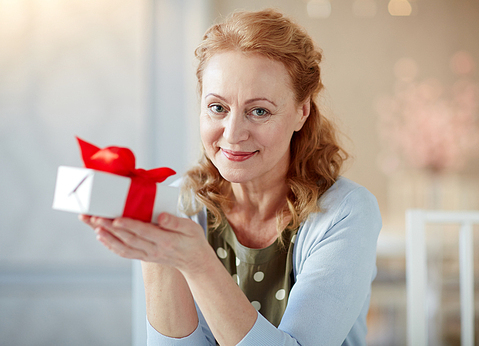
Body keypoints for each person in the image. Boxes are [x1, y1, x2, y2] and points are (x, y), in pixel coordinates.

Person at [81, 8, 382, 346]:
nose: (233, 133)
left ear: (302, 111)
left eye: (260, 111)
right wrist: (159, 259)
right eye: (218, 108)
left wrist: (196, 262)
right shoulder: (179, 204)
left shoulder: (347, 211)